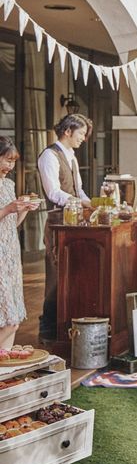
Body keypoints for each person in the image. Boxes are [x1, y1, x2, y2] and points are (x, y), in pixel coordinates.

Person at [37, 113, 92, 342]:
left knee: (73, 274)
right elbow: (53, 193)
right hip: (57, 224)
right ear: (68, 131)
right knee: (56, 276)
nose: (83, 138)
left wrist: (91, 203)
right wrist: (81, 202)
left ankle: (68, 326)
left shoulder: (72, 156)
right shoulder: (49, 156)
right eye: (81, 133)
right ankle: (48, 329)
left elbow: (78, 190)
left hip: (74, 223)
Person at [0, 137, 38, 348]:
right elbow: (6, 213)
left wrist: (23, 209)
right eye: (7, 160)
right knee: (9, 321)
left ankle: (5, 363)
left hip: (11, 254)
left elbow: (11, 224)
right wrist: (8, 209)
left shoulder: (9, 185)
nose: (10, 166)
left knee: (13, 320)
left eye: (13, 161)